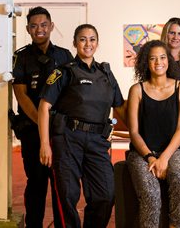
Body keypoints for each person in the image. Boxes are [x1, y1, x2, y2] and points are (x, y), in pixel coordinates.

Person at [39, 24, 126, 228]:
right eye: (83, 39)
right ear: (75, 43)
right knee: (67, 194)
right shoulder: (64, 72)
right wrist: (45, 144)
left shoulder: (106, 73)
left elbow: (120, 107)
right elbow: (44, 107)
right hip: (68, 139)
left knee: (106, 193)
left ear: (97, 42)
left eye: (92, 39)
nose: (88, 44)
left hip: (98, 141)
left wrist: (138, 131)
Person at [12, 6, 73, 228]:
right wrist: (41, 124)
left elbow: (70, 91)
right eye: (34, 26)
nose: (39, 29)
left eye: (44, 25)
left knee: (61, 184)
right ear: (28, 29)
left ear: (51, 27)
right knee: (36, 183)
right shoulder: (21, 57)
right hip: (32, 129)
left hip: (60, 131)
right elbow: (21, 94)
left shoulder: (64, 55)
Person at [126, 39, 180, 228]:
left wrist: (163, 158)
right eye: (153, 59)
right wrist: (150, 157)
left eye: (162, 57)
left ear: (169, 61)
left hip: (173, 150)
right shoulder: (136, 90)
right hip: (142, 152)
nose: (158, 62)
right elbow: (134, 132)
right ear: (146, 62)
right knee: (151, 194)